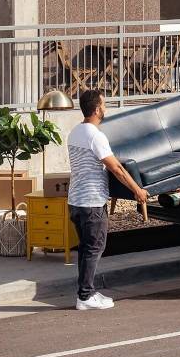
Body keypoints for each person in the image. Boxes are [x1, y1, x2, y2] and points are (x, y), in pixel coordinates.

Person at [68, 90, 149, 311]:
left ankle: (87, 292)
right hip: (92, 201)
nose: (106, 108)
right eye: (104, 105)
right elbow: (117, 168)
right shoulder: (96, 136)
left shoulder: (75, 132)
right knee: (94, 248)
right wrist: (137, 190)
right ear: (96, 109)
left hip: (76, 200)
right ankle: (85, 297)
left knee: (86, 249)